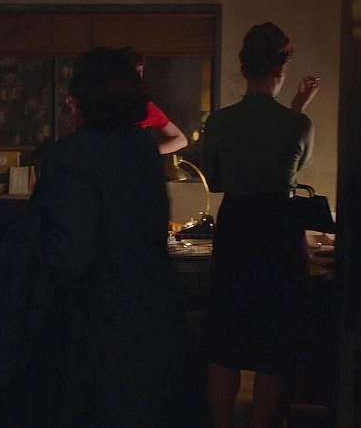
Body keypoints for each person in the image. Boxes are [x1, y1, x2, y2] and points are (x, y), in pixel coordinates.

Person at [28, 47, 204, 427]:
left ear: (80, 98)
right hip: (153, 311)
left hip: (95, 320)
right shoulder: (142, 148)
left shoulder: (70, 156)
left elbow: (68, 254)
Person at [200, 22, 321, 428]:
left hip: (237, 225)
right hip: (279, 228)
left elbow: (216, 181)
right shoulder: (298, 124)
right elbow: (293, 169)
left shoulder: (219, 122)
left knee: (225, 340)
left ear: (242, 67)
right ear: (281, 69)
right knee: (275, 342)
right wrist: (297, 108)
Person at [120, 47, 189, 154]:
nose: (137, 76)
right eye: (132, 71)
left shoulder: (143, 106)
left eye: (140, 71)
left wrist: (146, 153)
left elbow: (181, 140)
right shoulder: (100, 103)